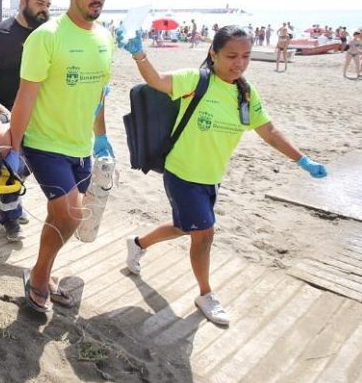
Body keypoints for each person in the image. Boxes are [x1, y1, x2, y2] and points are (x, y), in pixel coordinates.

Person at [121, 25, 327, 325]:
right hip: (182, 173)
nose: (239, 63)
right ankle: (206, 294)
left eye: (246, 56)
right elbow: (156, 80)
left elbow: (268, 130)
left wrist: (302, 160)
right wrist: (139, 53)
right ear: (213, 54)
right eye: (231, 56)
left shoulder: (245, 94)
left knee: (185, 227)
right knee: (204, 234)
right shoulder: (197, 80)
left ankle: (137, 244)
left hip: (211, 176)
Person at [10, 0, 114, 312]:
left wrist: (101, 138)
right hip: (44, 142)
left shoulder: (104, 37)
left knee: (63, 218)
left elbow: (99, 95)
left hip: (80, 145)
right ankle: (39, 278)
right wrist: (14, 145)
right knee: (70, 213)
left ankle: (42, 273)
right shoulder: (47, 37)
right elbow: (25, 95)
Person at [0, 0, 52, 241]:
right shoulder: (0, 35)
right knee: (13, 165)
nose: (45, 10)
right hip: (3, 113)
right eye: (39, 4)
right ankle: (9, 216)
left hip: (37, 113)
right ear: (23, 2)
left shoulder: (48, 35)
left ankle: (11, 203)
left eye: (48, 5)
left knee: (26, 166)